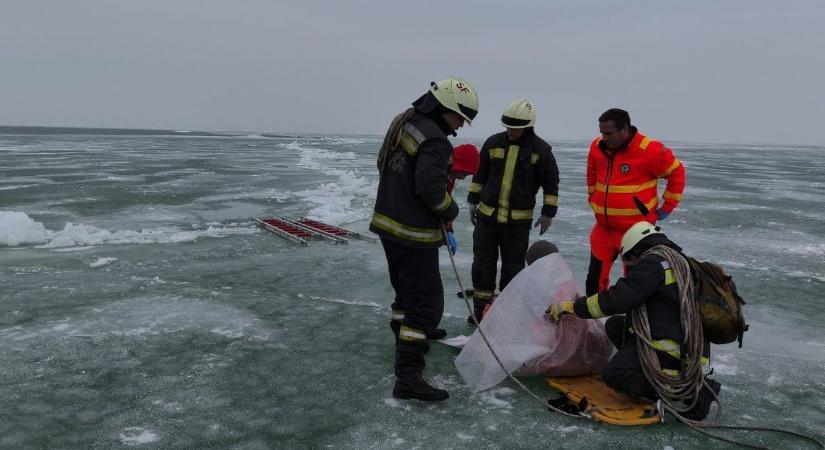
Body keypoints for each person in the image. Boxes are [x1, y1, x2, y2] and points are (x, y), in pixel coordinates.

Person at [370, 77, 479, 401]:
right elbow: (432, 190)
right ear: (444, 108)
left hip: (389, 225)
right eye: (459, 117)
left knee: (405, 296)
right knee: (425, 305)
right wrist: (451, 212)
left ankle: (404, 340)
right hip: (413, 234)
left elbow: (384, 165)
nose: (459, 126)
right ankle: (408, 375)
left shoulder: (404, 123)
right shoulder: (435, 140)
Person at [547, 222, 720, 421]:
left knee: (614, 374)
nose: (631, 266)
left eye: (630, 260)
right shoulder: (680, 262)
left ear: (637, 250)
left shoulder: (654, 265)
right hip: (688, 347)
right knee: (615, 325)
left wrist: (573, 307)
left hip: (675, 351)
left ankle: (688, 394)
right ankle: (648, 371)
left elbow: (617, 299)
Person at [466, 99, 559, 322]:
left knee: (512, 270)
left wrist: (548, 212)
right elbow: (480, 175)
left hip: (517, 225)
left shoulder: (541, 150)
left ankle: (504, 316)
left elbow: (551, 183)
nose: (510, 131)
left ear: (528, 125)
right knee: (482, 266)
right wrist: (472, 199)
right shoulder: (493, 143)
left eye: (515, 127)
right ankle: (481, 312)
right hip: (487, 220)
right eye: (507, 126)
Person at [585, 108, 686, 296]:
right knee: (594, 279)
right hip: (604, 229)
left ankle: (634, 323)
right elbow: (591, 173)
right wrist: (593, 198)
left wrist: (668, 207)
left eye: (608, 133)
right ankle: (592, 323)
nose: (603, 137)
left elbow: (677, 172)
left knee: (635, 284)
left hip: (636, 232)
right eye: (601, 132)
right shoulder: (597, 147)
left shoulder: (650, 150)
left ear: (624, 129)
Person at [444, 143, 480, 256]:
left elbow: (444, 205)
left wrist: (448, 230)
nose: (462, 178)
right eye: (464, 173)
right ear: (458, 165)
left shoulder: (449, 178)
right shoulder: (437, 174)